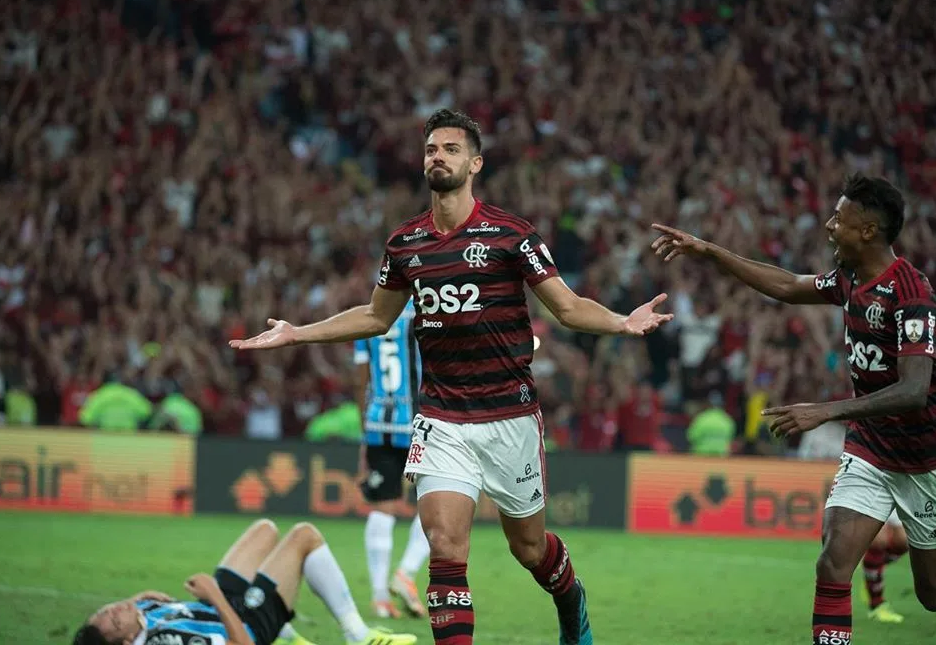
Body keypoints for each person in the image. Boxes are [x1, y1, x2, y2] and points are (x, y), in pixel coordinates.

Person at [230, 109, 675, 645]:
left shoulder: (512, 235)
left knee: (529, 550)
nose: (437, 156)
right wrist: (297, 332)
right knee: (445, 546)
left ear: (475, 163)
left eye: (450, 149)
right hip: (442, 416)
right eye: (431, 149)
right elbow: (375, 317)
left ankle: (570, 597)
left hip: (510, 415)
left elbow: (568, 307)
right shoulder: (405, 245)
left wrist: (624, 322)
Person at [651, 173, 936, 644]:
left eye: (839, 219)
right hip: (871, 445)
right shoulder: (849, 277)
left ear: (868, 231)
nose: (828, 225)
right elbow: (785, 285)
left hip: (928, 453)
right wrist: (710, 251)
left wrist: (825, 411)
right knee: (833, 561)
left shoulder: (913, 297)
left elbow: (914, 392)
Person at [71, 519, 417, 645]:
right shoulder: (167, 641)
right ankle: (357, 635)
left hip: (217, 606)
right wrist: (214, 596)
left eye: (108, 608)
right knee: (304, 536)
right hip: (247, 624)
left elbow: (129, 613)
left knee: (265, 530)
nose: (120, 607)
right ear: (129, 643)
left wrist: (136, 600)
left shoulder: (140, 615)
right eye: (116, 617)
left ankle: (287, 637)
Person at [352, 298, 431, 618]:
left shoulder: (367, 314)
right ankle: (406, 574)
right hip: (420, 421)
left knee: (383, 509)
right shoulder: (425, 310)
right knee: (438, 502)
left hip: (378, 423)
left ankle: (380, 597)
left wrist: (364, 431)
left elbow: (360, 381)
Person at [800, 420, 909, 623]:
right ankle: (877, 604)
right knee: (879, 541)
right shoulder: (871, 404)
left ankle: (871, 571)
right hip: (872, 471)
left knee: (904, 541)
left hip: (904, 473)